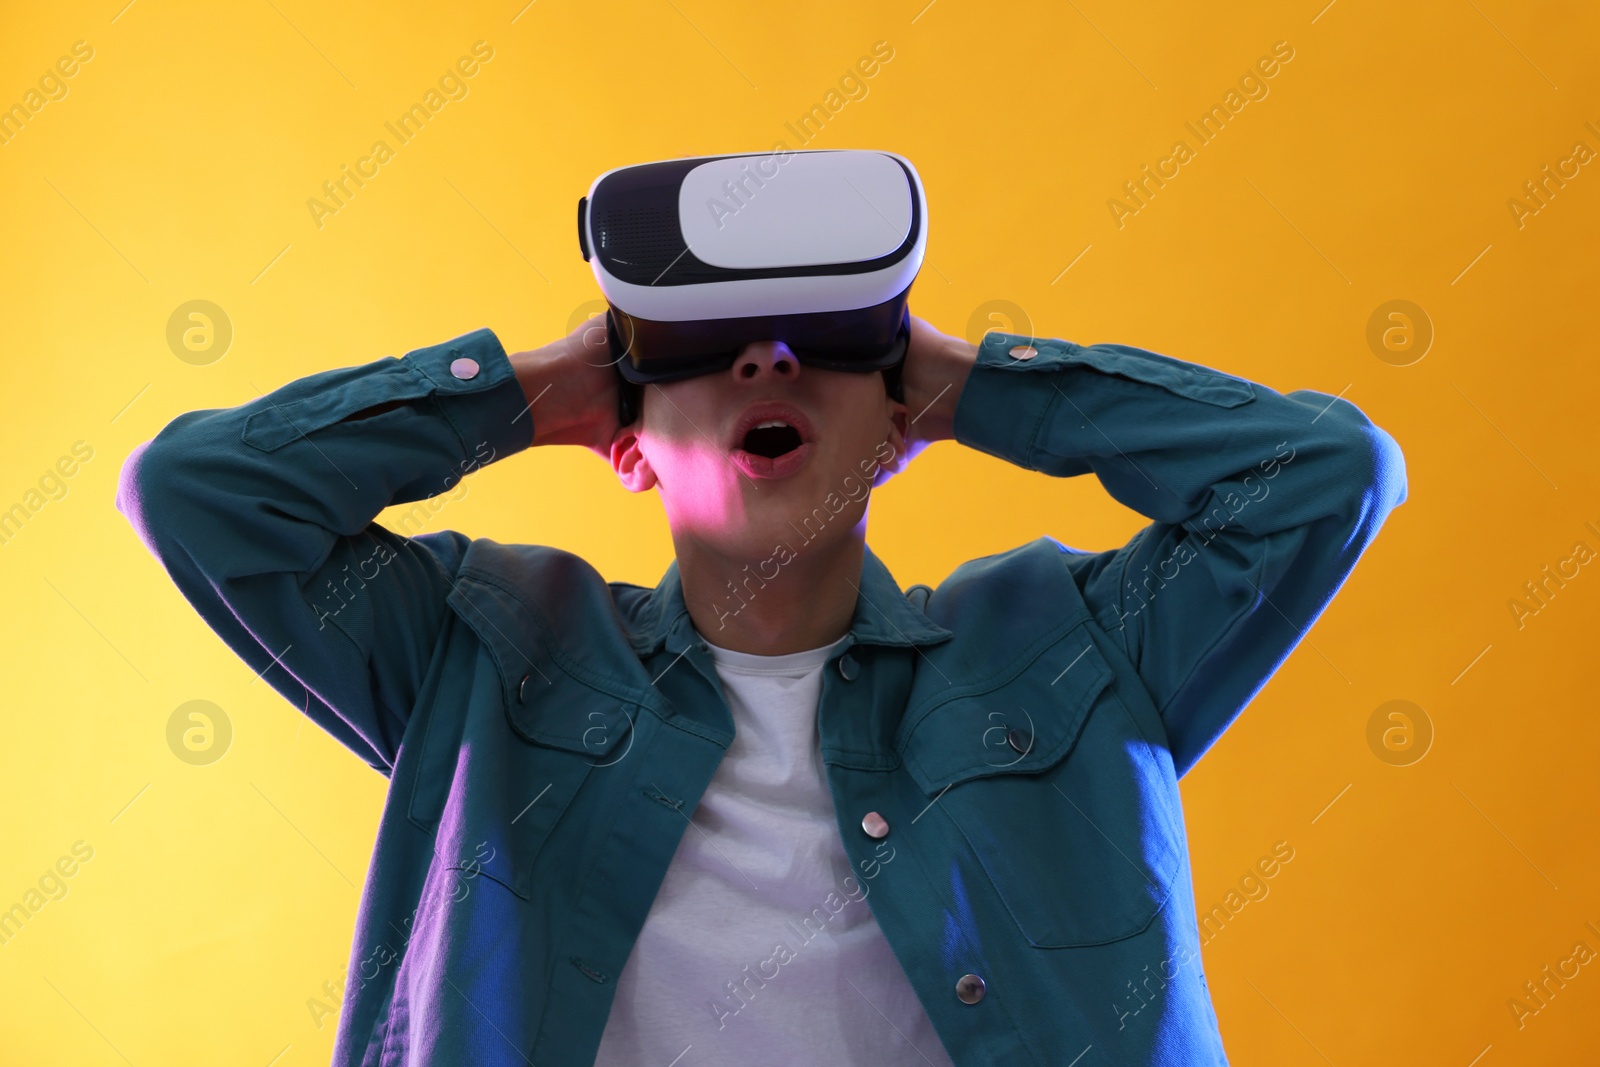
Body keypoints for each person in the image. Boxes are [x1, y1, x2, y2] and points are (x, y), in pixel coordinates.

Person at [116, 310, 1407, 1065]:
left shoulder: (1070, 643)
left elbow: (1318, 475)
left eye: (825, 340)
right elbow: (205, 497)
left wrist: (967, 384)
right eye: (706, 346)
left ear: (899, 424)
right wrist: (537, 391)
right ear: (622, 444)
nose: (768, 359)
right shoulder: (484, 651)